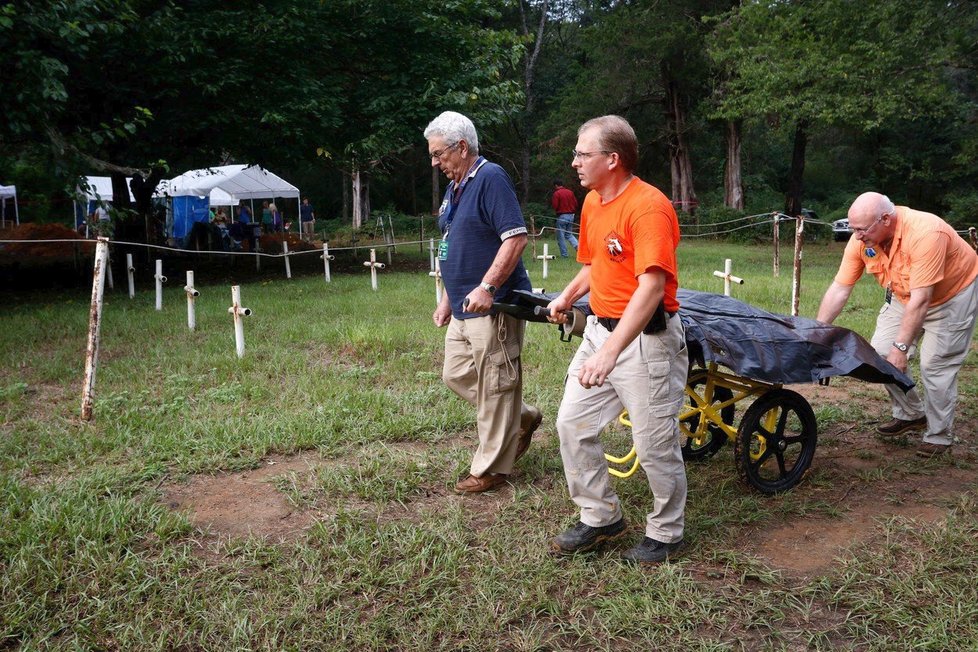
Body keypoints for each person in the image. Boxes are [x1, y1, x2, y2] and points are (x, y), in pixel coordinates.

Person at [546, 115, 688, 564]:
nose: (574, 163)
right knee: (572, 423)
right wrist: (566, 297)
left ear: (613, 158)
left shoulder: (648, 206)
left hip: (646, 343)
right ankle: (601, 516)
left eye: (582, 154)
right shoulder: (592, 202)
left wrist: (610, 353)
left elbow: (650, 287)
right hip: (598, 332)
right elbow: (592, 265)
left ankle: (667, 532)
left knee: (654, 445)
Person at [424, 110, 543, 494]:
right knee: (456, 374)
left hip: (494, 306)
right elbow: (451, 245)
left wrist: (488, 287)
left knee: (495, 385)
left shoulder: (490, 178)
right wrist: (447, 297)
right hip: (461, 306)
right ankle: (521, 417)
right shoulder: (455, 188)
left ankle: (492, 469)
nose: (435, 162)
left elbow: (515, 238)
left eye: (439, 154)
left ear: (462, 147)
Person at [816, 192, 978, 458]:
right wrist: (817, 332)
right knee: (881, 355)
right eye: (853, 228)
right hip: (903, 296)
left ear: (886, 219)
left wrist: (901, 349)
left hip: (951, 297)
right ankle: (912, 414)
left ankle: (939, 436)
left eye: (862, 229)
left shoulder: (926, 232)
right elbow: (840, 289)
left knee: (935, 365)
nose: (857, 236)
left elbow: (922, 298)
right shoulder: (862, 240)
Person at [551, 179, 580, 258]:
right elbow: (576, 204)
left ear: (556, 185)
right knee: (569, 234)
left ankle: (564, 255)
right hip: (571, 216)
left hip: (562, 216)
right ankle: (580, 250)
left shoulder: (557, 193)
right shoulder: (570, 192)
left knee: (561, 236)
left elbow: (555, 205)